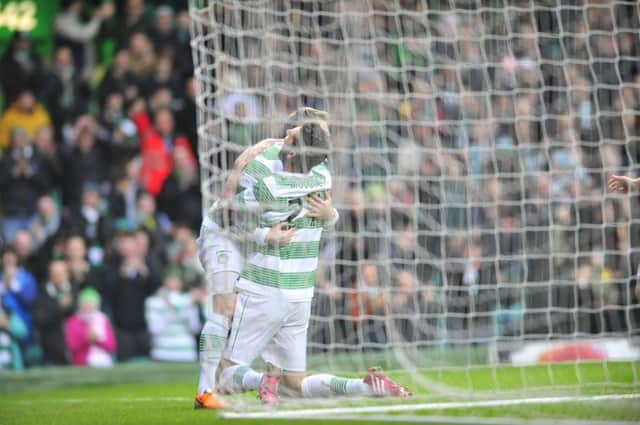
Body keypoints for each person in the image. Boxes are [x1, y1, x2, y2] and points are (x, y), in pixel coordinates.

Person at [216, 121, 410, 405]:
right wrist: (331, 214)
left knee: (222, 377)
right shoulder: (322, 177)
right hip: (301, 295)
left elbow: (225, 217)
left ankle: (264, 379)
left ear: (293, 154)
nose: (283, 137)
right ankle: (365, 386)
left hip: (265, 286)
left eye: (289, 137)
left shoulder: (269, 186)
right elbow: (329, 223)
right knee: (296, 385)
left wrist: (237, 171)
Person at [194, 108, 338, 409]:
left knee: (289, 373)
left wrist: (331, 215)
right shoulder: (259, 166)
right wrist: (236, 172)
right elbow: (227, 214)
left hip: (258, 242)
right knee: (225, 306)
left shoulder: (319, 170)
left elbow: (319, 213)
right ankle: (205, 391)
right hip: (226, 234)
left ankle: (260, 380)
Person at [145, 270, 200, 362]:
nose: (174, 283)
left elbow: (195, 328)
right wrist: (170, 308)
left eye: (177, 280)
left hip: (186, 351)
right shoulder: (153, 301)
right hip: (162, 350)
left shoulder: (188, 299)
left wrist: (190, 308)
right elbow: (155, 329)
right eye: (170, 280)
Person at [65, 287, 116, 367]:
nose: (88, 307)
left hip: (104, 362)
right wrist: (86, 339)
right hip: (81, 364)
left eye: (91, 304)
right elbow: (72, 347)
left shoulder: (103, 319)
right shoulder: (73, 321)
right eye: (85, 303)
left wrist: (97, 340)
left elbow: (111, 346)